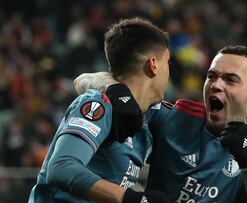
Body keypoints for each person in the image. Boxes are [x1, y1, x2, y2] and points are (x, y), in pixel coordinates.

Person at [75, 45, 247, 202]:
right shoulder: (175, 118)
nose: (216, 85)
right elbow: (84, 80)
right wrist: (116, 91)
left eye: (230, 80)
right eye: (212, 76)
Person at [28, 17, 174, 203]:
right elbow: (61, 168)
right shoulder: (100, 103)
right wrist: (134, 199)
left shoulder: (150, 118)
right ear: (153, 65)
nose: (169, 72)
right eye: (167, 62)